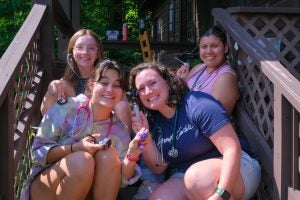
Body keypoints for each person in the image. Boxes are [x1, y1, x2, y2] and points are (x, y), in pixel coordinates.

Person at [129, 62, 261, 199]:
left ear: (167, 82)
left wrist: (222, 193)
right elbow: (159, 167)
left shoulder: (197, 103)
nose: (148, 91)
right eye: (141, 89)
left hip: (237, 167)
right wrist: (147, 138)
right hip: (186, 174)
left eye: (152, 83)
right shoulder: (153, 121)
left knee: (197, 179)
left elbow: (232, 149)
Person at [21, 60, 143, 200]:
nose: (110, 89)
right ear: (91, 86)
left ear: (121, 92)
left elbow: (121, 179)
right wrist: (76, 148)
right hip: (46, 187)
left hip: (87, 193)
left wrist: (132, 155)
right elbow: (38, 153)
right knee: (82, 160)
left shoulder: (119, 129)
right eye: (104, 83)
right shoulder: (66, 108)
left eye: (117, 85)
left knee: (108, 155)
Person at [40, 28, 131, 129]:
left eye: (91, 48)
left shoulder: (110, 80)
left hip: (105, 134)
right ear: (72, 51)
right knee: (57, 87)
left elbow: (124, 117)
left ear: (98, 53)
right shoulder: (64, 85)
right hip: (71, 138)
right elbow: (46, 116)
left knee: (118, 97)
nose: (85, 52)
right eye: (79, 47)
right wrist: (50, 91)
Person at [177, 25, 239, 114]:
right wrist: (180, 80)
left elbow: (214, 119)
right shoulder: (198, 68)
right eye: (204, 47)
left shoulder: (225, 78)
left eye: (214, 46)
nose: (208, 51)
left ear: (225, 48)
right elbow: (180, 94)